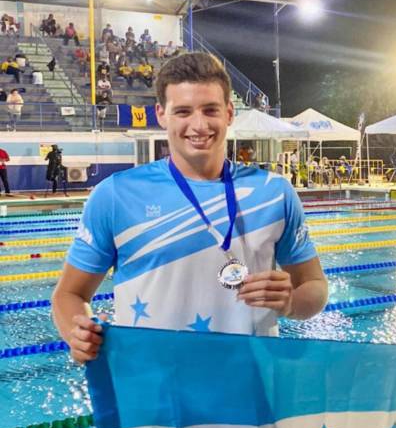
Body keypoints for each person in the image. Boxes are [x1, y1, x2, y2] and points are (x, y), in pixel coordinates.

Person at [51, 51, 328, 363]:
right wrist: (76, 331)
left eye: (210, 110)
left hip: (249, 386)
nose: (198, 125)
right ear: (161, 114)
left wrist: (291, 302)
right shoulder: (115, 194)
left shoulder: (274, 191)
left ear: (229, 113)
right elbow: (69, 294)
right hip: (154, 389)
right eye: (183, 111)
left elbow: (315, 287)